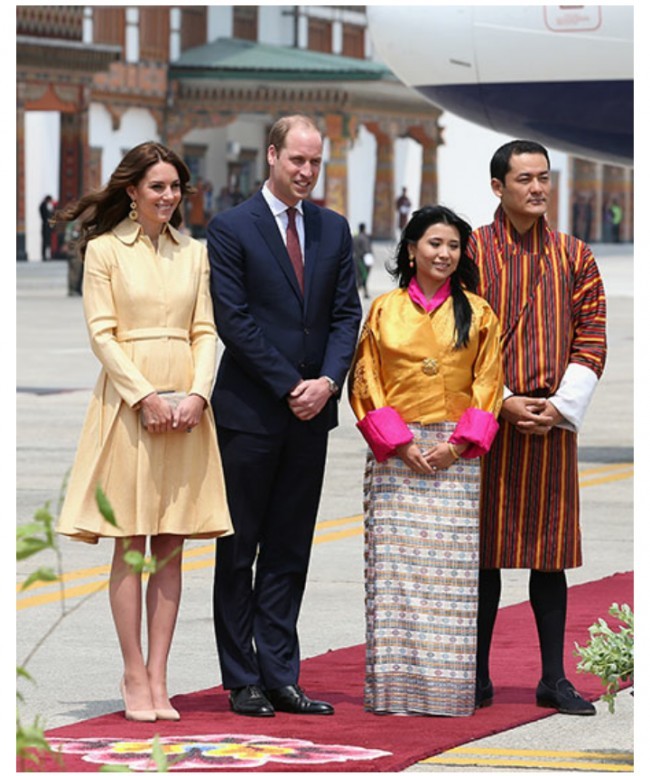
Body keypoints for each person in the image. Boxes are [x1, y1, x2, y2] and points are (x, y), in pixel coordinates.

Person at [54, 141, 233, 722]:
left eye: (175, 186)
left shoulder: (194, 253)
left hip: (187, 409)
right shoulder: (105, 251)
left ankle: (160, 674)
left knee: (172, 546)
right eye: (157, 186)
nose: (168, 196)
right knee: (133, 544)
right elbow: (102, 334)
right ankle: (133, 671)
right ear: (132, 191)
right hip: (130, 404)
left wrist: (199, 394)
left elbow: (204, 330)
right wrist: (146, 397)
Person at [207, 114, 362, 718]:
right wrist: (289, 384)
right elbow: (234, 319)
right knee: (238, 550)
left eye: (315, 162)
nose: (306, 171)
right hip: (250, 414)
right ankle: (241, 677)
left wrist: (327, 382)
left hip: (311, 415)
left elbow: (346, 315)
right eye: (297, 160)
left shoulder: (332, 228)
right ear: (271, 156)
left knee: (290, 550)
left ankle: (280, 675)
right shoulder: (231, 227)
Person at [467, 140, 607, 715]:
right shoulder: (472, 250)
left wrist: (560, 406)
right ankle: (475, 676)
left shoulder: (575, 255)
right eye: (524, 179)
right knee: (484, 554)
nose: (537, 188)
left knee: (550, 554)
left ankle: (553, 677)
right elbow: (456, 336)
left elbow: (591, 333)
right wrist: (500, 401)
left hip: (552, 423)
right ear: (498, 187)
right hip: (488, 422)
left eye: (543, 177)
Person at [348, 205, 503, 716]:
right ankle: (395, 691)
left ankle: (446, 692)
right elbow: (365, 379)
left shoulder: (478, 312)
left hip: (455, 456)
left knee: (450, 580)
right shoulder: (383, 310)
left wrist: (457, 445)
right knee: (395, 576)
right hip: (397, 456)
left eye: (454, 246)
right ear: (411, 249)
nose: (445, 254)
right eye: (435, 243)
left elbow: (489, 383)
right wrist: (399, 442)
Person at [352, 222, 373, 299]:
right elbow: (367, 249)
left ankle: (364, 292)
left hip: (355, 259)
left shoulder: (355, 237)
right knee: (363, 277)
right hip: (363, 260)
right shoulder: (365, 238)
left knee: (359, 277)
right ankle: (357, 292)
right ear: (364, 229)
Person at [39, 195, 54, 261]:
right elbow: (46, 216)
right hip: (46, 226)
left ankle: (45, 255)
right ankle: (45, 255)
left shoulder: (44, 205)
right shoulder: (43, 205)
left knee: (46, 241)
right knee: (46, 241)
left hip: (46, 226)